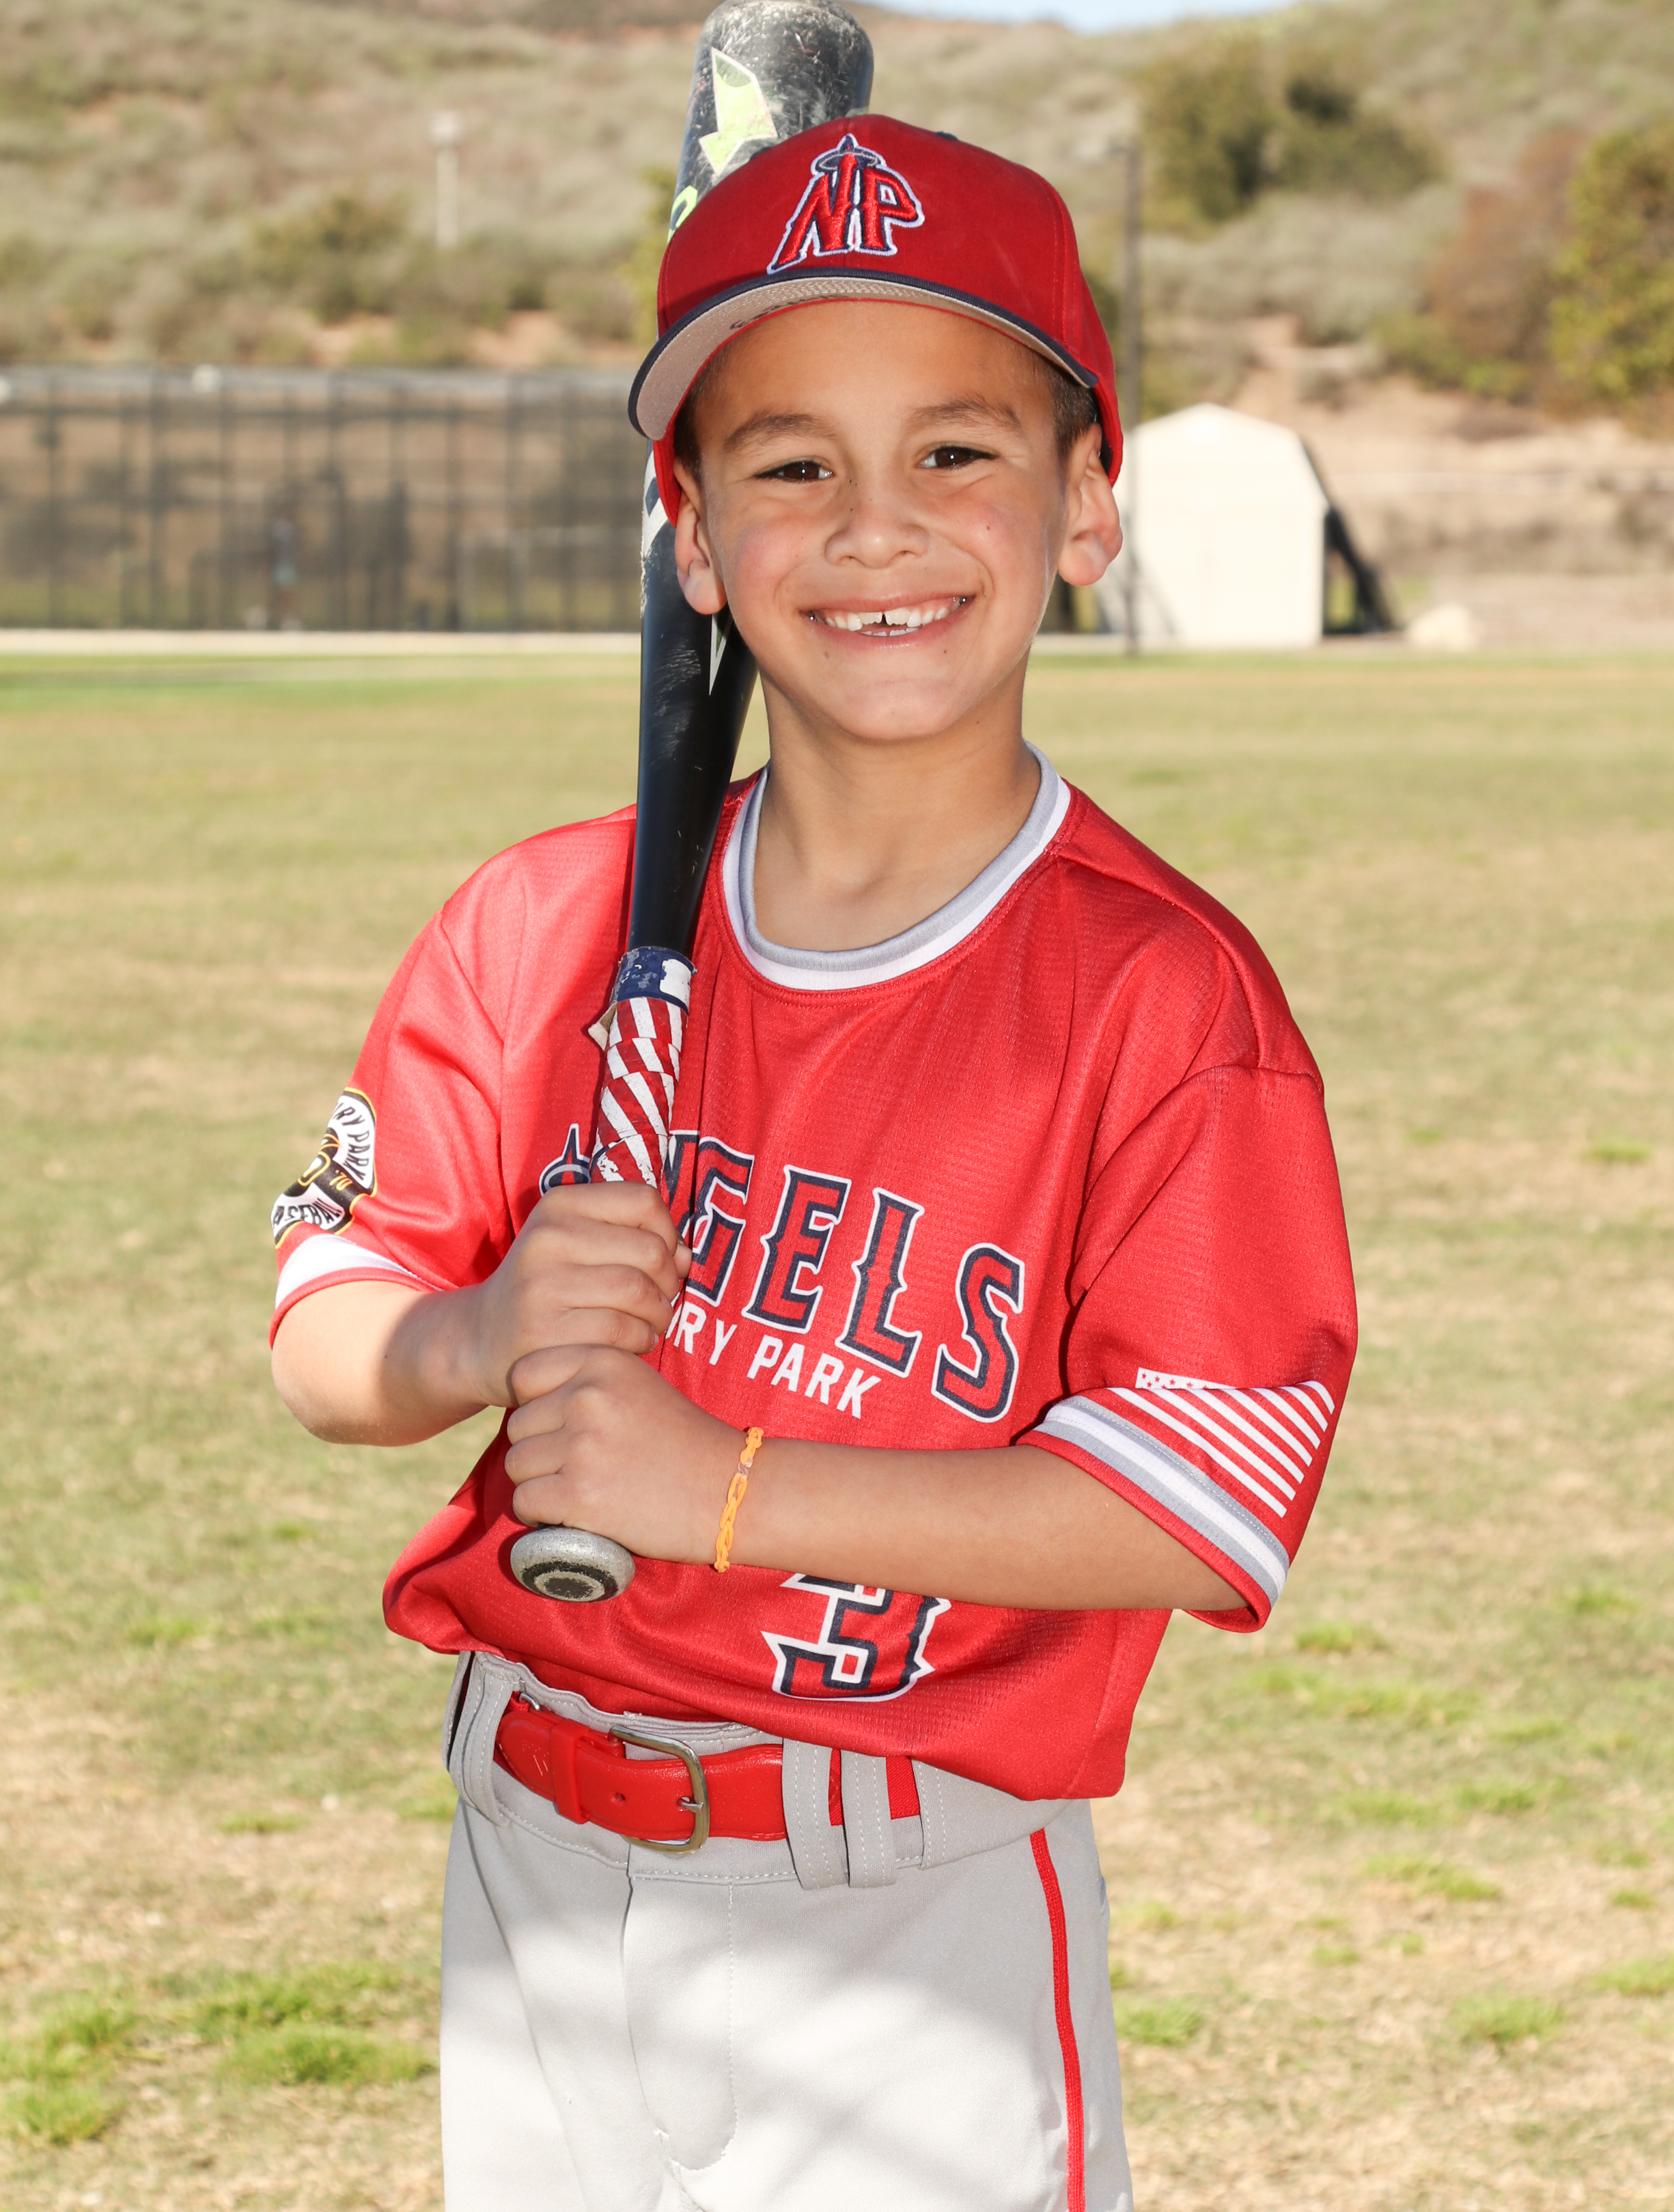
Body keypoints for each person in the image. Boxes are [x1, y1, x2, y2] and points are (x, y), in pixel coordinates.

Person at [270, 115, 1356, 2212]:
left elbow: (1198, 1504)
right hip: (528, 1877)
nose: (875, 527)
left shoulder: (1162, 998)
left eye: (955, 450)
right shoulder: (544, 925)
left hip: (900, 1913)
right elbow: (328, 1323)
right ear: (688, 537)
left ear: (1086, 506)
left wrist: (719, 1492)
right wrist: (477, 1334)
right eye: (789, 466)